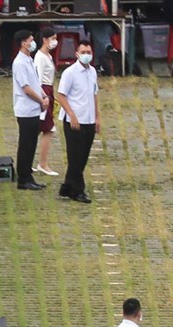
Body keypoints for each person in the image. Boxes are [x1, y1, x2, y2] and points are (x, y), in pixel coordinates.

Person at [56, 40, 100, 204]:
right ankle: (78, 190)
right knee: (75, 156)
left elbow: (94, 94)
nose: (87, 55)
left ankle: (68, 186)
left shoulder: (93, 72)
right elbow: (61, 95)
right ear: (77, 54)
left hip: (88, 119)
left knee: (83, 156)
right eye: (84, 52)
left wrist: (97, 117)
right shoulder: (70, 72)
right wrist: (71, 114)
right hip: (74, 120)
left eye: (89, 52)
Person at [12, 29, 49, 191]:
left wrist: (44, 95)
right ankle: (23, 178)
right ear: (23, 43)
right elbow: (26, 88)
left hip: (34, 109)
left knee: (31, 143)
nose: (33, 42)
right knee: (26, 144)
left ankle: (28, 175)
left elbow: (35, 83)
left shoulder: (28, 60)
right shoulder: (19, 63)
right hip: (26, 110)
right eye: (30, 40)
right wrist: (41, 100)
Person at [34, 28, 59, 177]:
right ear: (45, 39)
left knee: (40, 128)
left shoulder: (47, 56)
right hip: (44, 91)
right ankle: (42, 163)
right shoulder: (40, 57)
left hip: (49, 90)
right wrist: (43, 97)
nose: (55, 41)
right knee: (48, 129)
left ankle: (34, 161)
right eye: (52, 38)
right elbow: (37, 79)